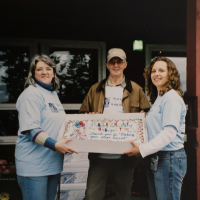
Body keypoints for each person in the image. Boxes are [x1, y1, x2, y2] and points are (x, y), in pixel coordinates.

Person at [79, 48, 151, 200]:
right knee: (92, 195)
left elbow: (148, 118)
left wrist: (143, 118)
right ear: (107, 64)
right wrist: (88, 118)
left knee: (123, 195)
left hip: (126, 154)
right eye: (112, 62)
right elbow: (81, 119)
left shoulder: (136, 89)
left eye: (119, 62)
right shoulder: (95, 89)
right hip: (99, 152)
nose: (116, 65)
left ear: (125, 64)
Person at [123, 57, 187, 200]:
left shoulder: (171, 98)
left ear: (170, 74)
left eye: (161, 70)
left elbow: (169, 133)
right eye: (153, 71)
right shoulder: (160, 97)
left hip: (169, 158)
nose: (156, 74)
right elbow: (157, 126)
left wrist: (141, 149)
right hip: (159, 158)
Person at [15, 55, 77, 200]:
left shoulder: (52, 94)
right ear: (33, 73)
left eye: (48, 68)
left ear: (54, 73)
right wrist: (55, 145)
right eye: (39, 69)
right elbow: (31, 130)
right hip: (33, 166)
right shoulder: (30, 94)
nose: (44, 72)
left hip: (52, 163)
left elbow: (59, 124)